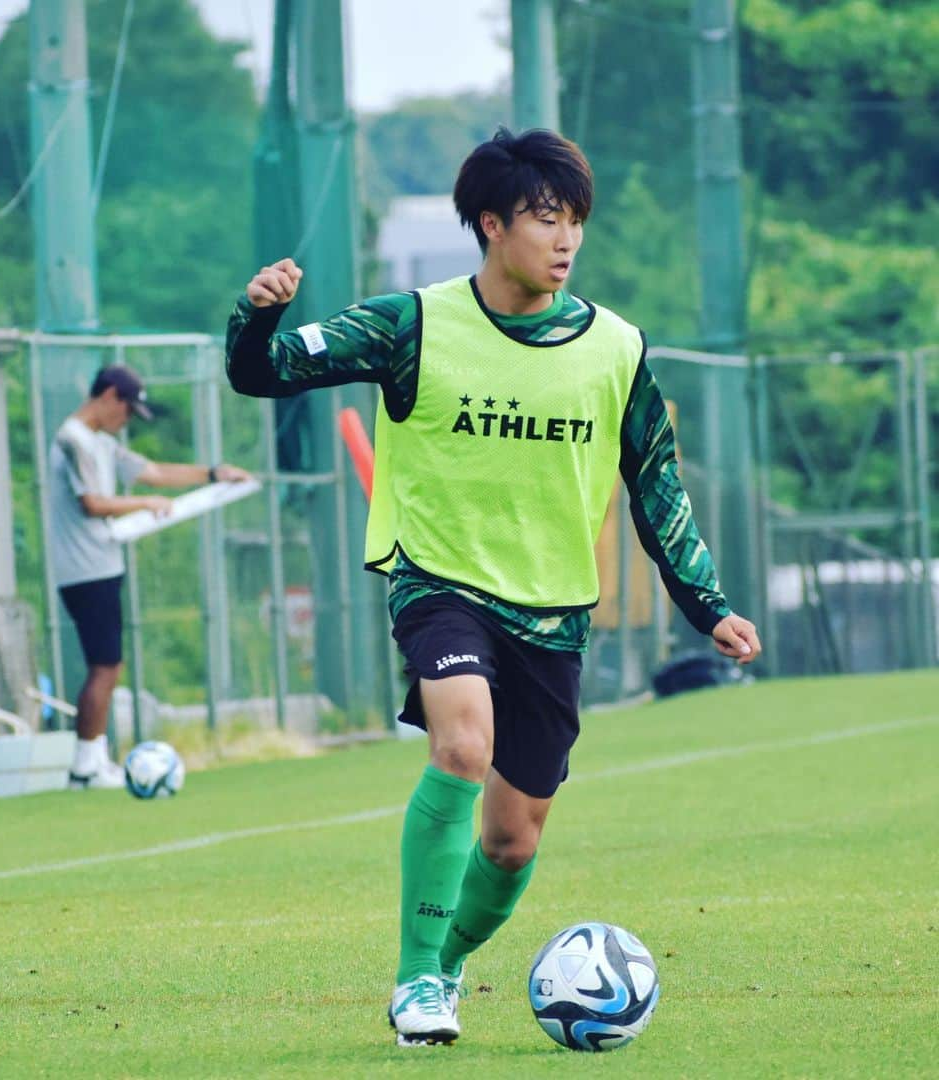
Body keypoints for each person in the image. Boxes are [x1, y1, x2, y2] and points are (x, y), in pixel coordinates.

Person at [225, 127, 761, 1046]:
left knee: (513, 844)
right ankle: (415, 985)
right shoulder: (413, 324)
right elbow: (261, 371)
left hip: (553, 611)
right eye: (546, 219)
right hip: (438, 582)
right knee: (461, 744)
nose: (566, 241)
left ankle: (447, 959)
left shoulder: (617, 349)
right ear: (489, 224)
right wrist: (256, 312)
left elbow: (657, 482)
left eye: (576, 222)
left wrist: (705, 603)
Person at [49, 363, 252, 789]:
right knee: (104, 665)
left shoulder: (101, 444)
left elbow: (155, 471)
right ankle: (85, 767)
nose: (126, 421)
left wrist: (215, 473)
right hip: (85, 568)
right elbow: (93, 503)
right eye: (126, 410)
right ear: (108, 396)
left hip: (102, 564)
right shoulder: (73, 440)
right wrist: (145, 503)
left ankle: (93, 761)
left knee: (108, 664)